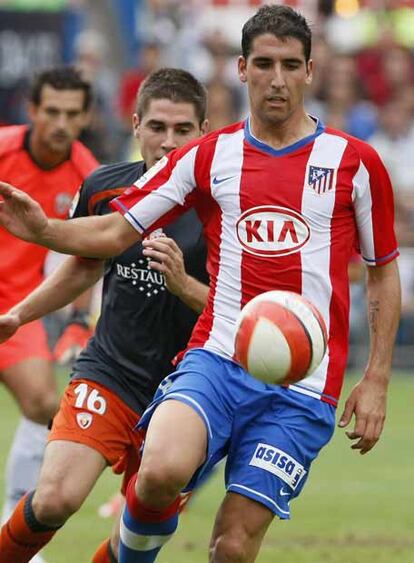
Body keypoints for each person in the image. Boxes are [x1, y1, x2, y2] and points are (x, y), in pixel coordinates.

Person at [0, 6, 401, 562]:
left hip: (304, 387)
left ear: (311, 70)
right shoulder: (210, 156)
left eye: (290, 65)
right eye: (263, 63)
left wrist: (377, 375)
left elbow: (383, 271)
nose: (276, 79)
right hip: (214, 359)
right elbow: (117, 228)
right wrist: (46, 228)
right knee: (157, 470)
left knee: (232, 546)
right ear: (241, 69)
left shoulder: (355, 164)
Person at [0, 67, 209, 562]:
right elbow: (83, 268)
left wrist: (182, 285)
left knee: (133, 539)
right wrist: (20, 315)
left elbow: (237, 311)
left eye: (183, 130)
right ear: (135, 125)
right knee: (54, 497)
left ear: (205, 132)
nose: (168, 142)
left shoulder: (223, 206)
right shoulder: (103, 187)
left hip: (191, 389)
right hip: (111, 372)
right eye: (157, 127)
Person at [0, 66, 98, 562]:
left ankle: (13, 515)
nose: (60, 122)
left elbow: (91, 255)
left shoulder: (87, 173)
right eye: (51, 111)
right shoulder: (2, 150)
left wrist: (79, 320)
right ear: (33, 111)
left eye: (71, 113)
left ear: (85, 118)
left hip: (16, 308)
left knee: (43, 403)